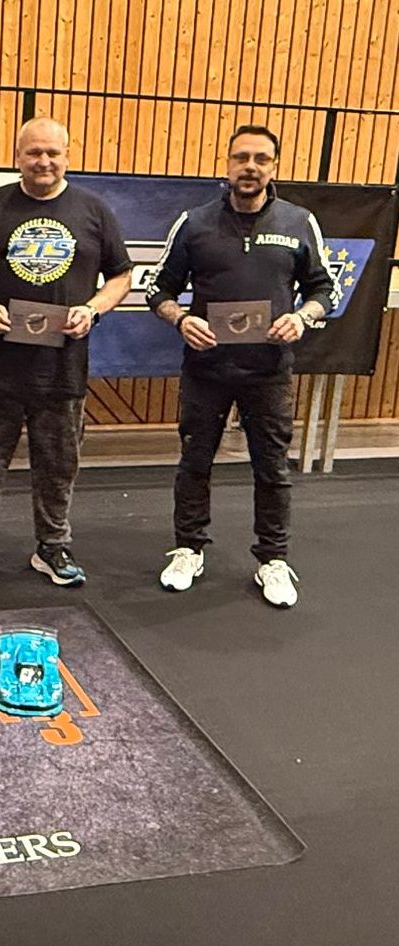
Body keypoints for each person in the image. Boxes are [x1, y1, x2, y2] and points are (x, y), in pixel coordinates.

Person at [146, 124, 341, 608]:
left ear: (274, 166)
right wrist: (181, 319)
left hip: (268, 370)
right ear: (228, 164)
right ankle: (188, 549)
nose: (250, 167)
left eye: (261, 159)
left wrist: (302, 317)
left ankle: (272, 559)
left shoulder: (299, 222)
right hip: (206, 369)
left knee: (272, 468)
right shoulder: (194, 222)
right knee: (194, 462)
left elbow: (325, 290)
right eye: (241, 158)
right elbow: (158, 289)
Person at [0, 117, 132, 588]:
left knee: (59, 467)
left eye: (52, 153)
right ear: (18, 156)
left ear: (67, 156)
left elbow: (121, 276)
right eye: (34, 152)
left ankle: (52, 547)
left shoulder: (93, 211)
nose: (43, 161)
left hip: (62, 369)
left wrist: (93, 309)